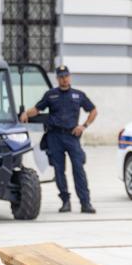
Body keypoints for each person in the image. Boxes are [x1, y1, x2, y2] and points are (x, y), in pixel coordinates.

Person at [21, 65, 97, 214]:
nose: (64, 79)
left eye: (66, 76)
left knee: (79, 169)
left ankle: (85, 203)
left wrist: (84, 126)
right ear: (57, 78)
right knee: (59, 170)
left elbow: (93, 110)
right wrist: (25, 114)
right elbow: (37, 109)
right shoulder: (50, 95)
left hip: (72, 136)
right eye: (61, 77)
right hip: (55, 136)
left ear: (70, 77)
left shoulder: (78, 95)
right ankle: (65, 201)